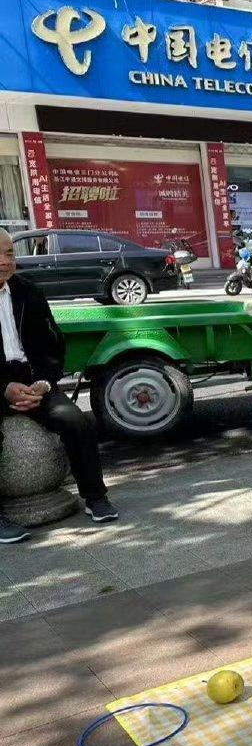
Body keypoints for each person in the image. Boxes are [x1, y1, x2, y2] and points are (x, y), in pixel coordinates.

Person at [0, 229, 117, 544]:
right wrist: (4, 389)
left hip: (32, 378)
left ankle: (95, 497)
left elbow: (52, 344)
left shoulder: (28, 292)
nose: (5, 261)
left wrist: (43, 382)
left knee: (75, 420)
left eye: (9, 253)